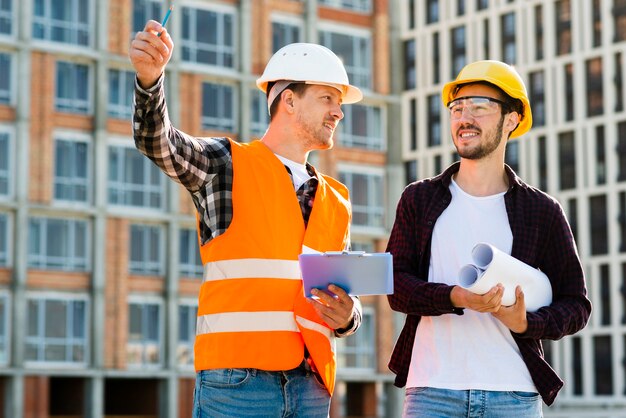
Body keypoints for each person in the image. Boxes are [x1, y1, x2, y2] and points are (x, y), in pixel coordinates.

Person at [129, 20, 363, 418]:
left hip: (311, 387)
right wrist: (151, 82)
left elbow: (338, 291)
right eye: (327, 98)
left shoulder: (336, 199)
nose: (338, 112)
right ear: (288, 100)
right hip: (238, 384)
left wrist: (348, 317)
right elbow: (159, 141)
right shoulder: (227, 164)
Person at [386, 60, 592, 417]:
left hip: (512, 395)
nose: (464, 118)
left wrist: (526, 323)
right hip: (433, 392)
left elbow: (576, 304)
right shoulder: (419, 199)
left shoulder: (541, 211)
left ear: (511, 119)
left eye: (479, 107)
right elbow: (395, 285)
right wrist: (454, 296)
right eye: (457, 108)